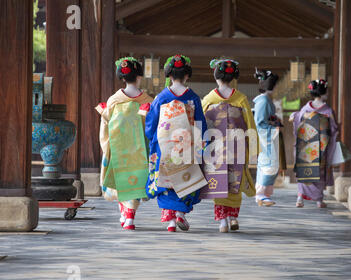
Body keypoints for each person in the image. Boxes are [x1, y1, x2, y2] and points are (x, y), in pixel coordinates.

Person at [145, 54, 208, 232]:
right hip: (186, 147)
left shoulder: (161, 97)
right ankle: (180, 215)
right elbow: (200, 123)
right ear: (187, 75)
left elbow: (152, 123)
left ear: (169, 76)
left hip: (164, 147)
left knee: (166, 181)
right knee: (185, 179)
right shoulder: (193, 98)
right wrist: (201, 144)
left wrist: (151, 137)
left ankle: (171, 221)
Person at [96, 57, 153, 230]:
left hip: (119, 147)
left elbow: (105, 127)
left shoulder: (114, 100)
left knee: (121, 181)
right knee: (135, 181)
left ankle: (126, 215)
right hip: (139, 149)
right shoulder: (148, 100)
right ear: (139, 77)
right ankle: (129, 216)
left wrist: (107, 146)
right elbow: (152, 127)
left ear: (122, 78)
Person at [201, 59, 257, 233]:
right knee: (235, 182)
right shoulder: (240, 99)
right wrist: (253, 148)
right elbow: (250, 125)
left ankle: (223, 222)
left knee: (217, 182)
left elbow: (200, 124)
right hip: (237, 147)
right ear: (233, 77)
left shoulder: (209, 100)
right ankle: (233, 218)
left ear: (216, 76)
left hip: (214, 148)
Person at [289, 79, 338, 209]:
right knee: (319, 173)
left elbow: (297, 122)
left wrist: (294, 116)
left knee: (305, 171)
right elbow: (333, 129)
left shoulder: (305, 109)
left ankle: (300, 198)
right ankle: (319, 200)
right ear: (324, 92)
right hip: (321, 147)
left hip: (305, 146)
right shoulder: (328, 111)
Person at [253, 69, 281, 207]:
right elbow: (259, 123)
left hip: (269, 137)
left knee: (269, 163)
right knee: (269, 164)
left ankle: (263, 193)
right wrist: (274, 127)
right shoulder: (263, 101)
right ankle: (261, 194)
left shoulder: (265, 100)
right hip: (266, 137)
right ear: (273, 86)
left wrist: (275, 123)